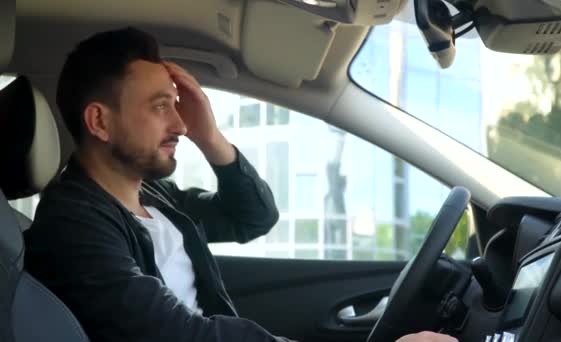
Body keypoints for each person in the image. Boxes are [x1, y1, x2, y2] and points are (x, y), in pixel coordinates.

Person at [24, 27, 457, 342]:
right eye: (160, 107)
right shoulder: (72, 223)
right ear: (99, 121)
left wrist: (210, 137)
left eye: (177, 106)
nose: (179, 123)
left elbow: (252, 217)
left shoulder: (154, 198)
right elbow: (172, 333)